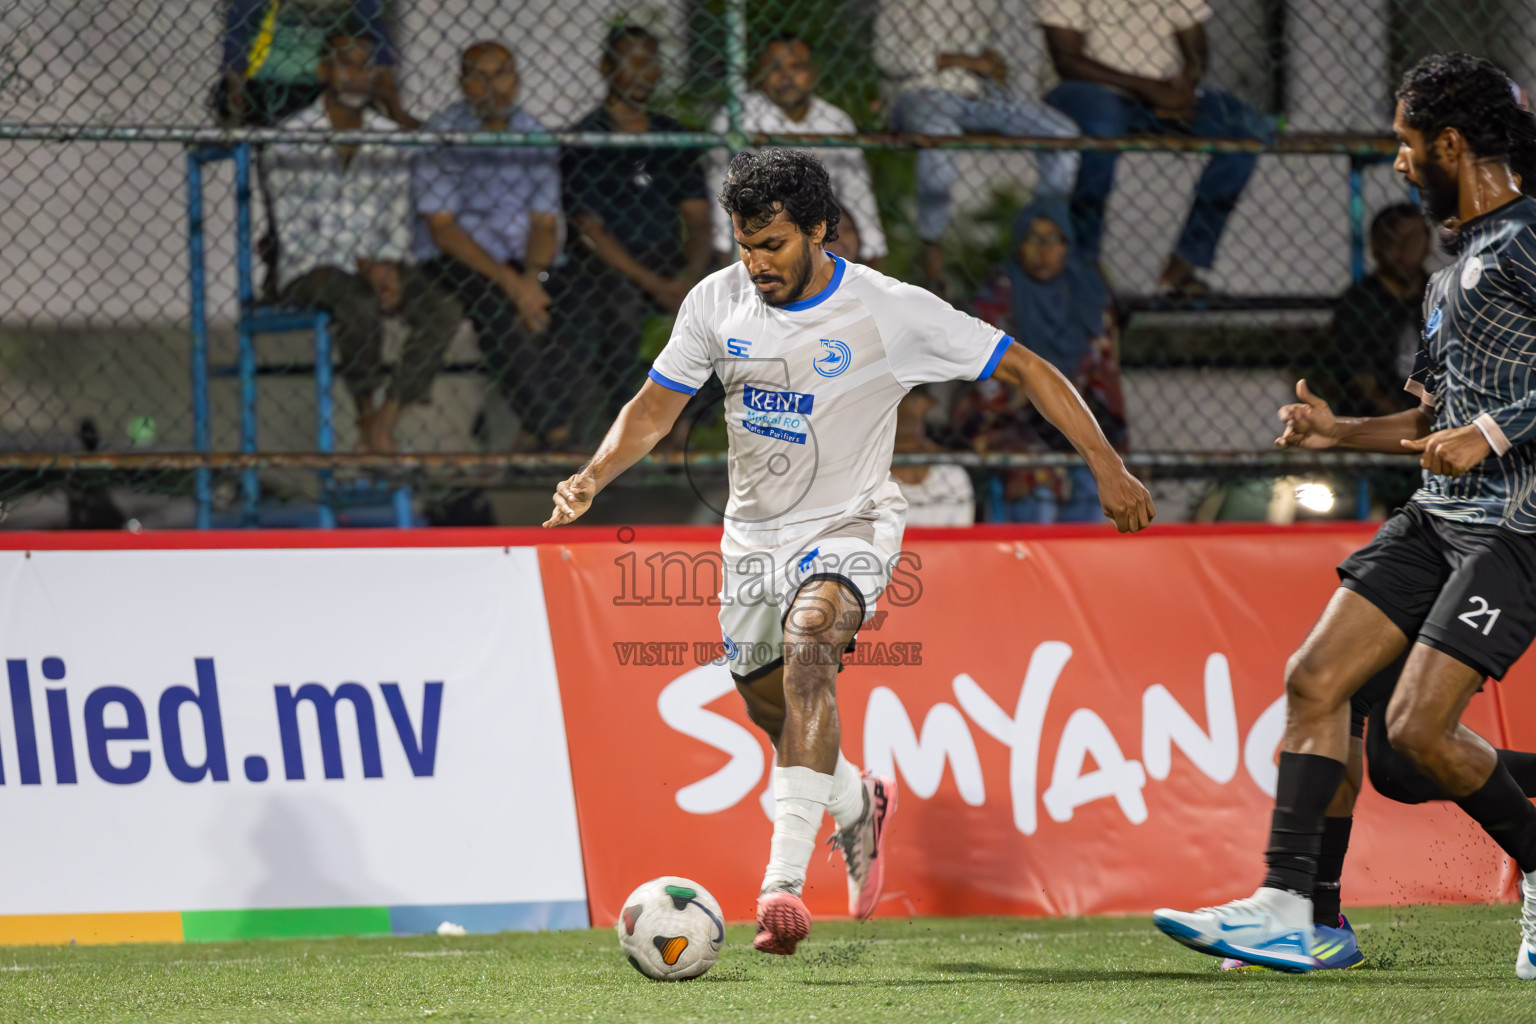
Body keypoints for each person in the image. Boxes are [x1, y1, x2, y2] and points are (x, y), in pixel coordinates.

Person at [544, 148, 1155, 955]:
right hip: (752, 543)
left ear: (820, 230)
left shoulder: (888, 310)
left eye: (773, 245)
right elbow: (655, 409)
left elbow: (1032, 370)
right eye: (744, 244)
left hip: (852, 523)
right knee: (775, 713)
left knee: (809, 654)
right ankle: (856, 802)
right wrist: (591, 477)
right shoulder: (716, 302)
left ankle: (782, 890)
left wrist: (1107, 466)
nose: (756, 263)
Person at [1152, 53, 1536, 978]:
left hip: (1518, 528)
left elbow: (1476, 425)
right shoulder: (1449, 277)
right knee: (1316, 682)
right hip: (1437, 518)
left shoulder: (1529, 240)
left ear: (1449, 144)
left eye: (1406, 144)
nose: (1398, 163)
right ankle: (1301, 911)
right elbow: (1435, 418)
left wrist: (1490, 431)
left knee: (1414, 735)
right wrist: (1340, 431)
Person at [265, 29, 460, 452]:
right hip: (311, 269)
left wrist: (387, 265)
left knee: (442, 309)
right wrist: (366, 267)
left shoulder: (387, 137)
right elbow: (295, 233)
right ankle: (365, 414)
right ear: (323, 69)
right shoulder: (287, 138)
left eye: (367, 66)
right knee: (358, 299)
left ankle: (386, 419)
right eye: (348, 64)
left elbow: (395, 219)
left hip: (380, 264)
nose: (359, 75)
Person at [1039, 0, 1274, 296]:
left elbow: (1195, 43)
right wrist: (1148, 88)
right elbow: (1067, 60)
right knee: (1101, 128)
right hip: (1089, 90)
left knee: (1245, 129)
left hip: (1162, 92)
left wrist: (1185, 85)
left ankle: (1189, 257)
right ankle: (1085, 261)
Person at [561, 24, 713, 445]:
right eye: (634, 59)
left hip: (666, 255)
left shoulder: (672, 135)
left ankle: (685, 425)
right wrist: (656, 284)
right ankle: (630, 432)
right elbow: (589, 230)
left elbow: (699, 220)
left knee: (733, 298)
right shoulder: (586, 137)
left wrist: (690, 277)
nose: (645, 71)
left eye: (652, 60)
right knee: (619, 307)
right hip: (609, 263)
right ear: (607, 67)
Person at [414, 42, 567, 450]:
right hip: (459, 259)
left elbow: (545, 223)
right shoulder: (441, 135)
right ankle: (555, 433)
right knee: (495, 303)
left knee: (578, 300)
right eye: (477, 76)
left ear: (515, 80)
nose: (490, 86)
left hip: (526, 262)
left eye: (500, 74)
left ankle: (531, 428)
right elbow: (443, 229)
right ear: (462, 84)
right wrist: (512, 283)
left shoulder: (534, 136)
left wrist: (532, 279)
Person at [873, 0, 1081, 292]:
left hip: (979, 96)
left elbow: (998, 57)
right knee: (941, 133)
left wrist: (994, 66)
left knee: (1062, 131)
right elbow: (887, 56)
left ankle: (1046, 228)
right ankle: (932, 248)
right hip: (920, 93)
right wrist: (958, 60)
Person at [960, 198, 1126, 522]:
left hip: (1076, 420)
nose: (1043, 250)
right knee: (1036, 480)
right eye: (1034, 239)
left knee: (1095, 481)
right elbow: (986, 367)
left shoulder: (1087, 293)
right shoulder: (1001, 290)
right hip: (1014, 420)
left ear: (1067, 244)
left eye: (1054, 240)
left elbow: (1103, 374)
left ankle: (1080, 571)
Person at [707, 33, 887, 270]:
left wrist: (873, 256)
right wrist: (730, 255)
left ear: (813, 73)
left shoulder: (835, 122)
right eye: (774, 68)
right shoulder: (737, 119)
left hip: (821, 232)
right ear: (758, 74)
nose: (785, 77)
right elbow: (721, 194)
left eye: (796, 67)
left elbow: (858, 193)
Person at [216, 0, 415, 129]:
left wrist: (395, 112)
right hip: (268, 88)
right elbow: (236, 42)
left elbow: (377, 43)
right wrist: (235, 92)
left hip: (324, 89)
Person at [1331, 204, 1432, 418]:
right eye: (1395, 242)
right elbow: (1362, 383)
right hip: (1374, 423)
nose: (1406, 252)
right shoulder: (1359, 303)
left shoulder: (1441, 295)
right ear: (1377, 248)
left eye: (1414, 241)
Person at [892, 388, 975, 527]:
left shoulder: (953, 475)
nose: (908, 425)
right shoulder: (874, 482)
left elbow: (961, 538)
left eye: (913, 420)